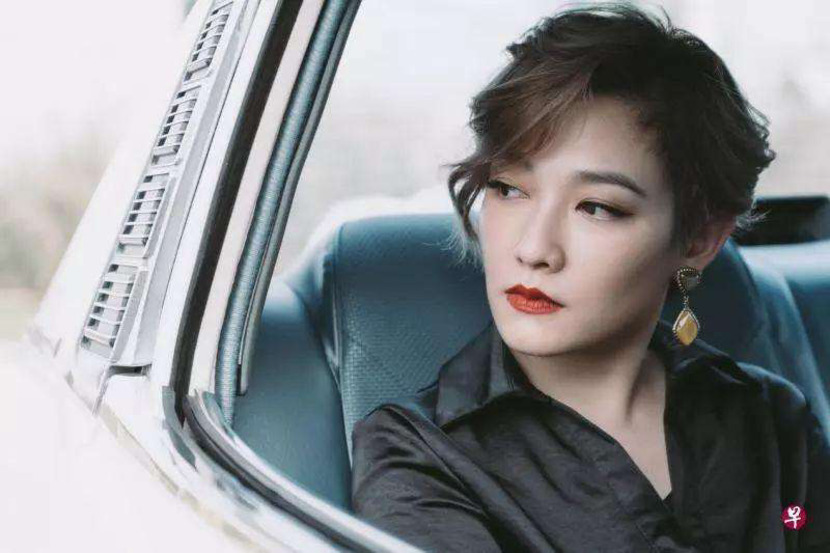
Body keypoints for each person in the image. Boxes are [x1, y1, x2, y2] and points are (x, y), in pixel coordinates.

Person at [350, 3, 830, 552]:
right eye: (508, 189)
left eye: (597, 207)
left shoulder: (772, 419)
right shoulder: (418, 454)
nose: (534, 250)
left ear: (698, 239)